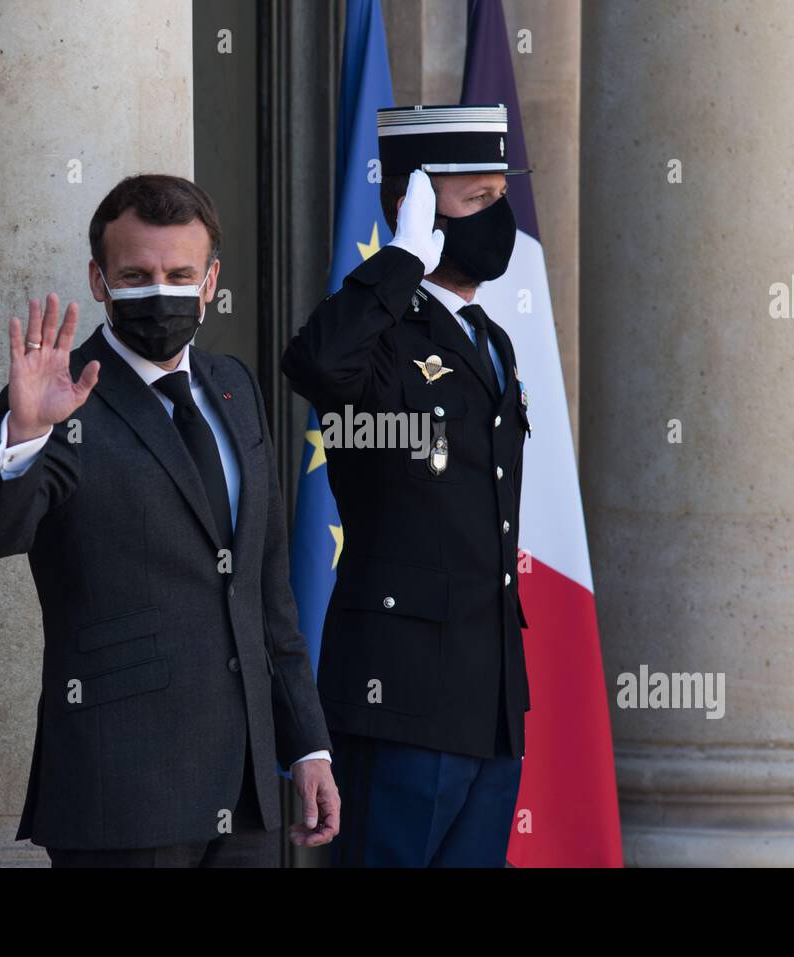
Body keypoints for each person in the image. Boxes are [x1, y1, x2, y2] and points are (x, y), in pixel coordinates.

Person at [0, 174, 338, 866]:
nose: (159, 290)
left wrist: (307, 744)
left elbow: (266, 592)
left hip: (246, 794)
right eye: (136, 274)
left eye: (179, 273)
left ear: (211, 280)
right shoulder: (61, 397)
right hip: (120, 795)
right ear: (99, 281)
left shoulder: (235, 387)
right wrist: (26, 434)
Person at [281, 104, 531, 867]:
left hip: (489, 700)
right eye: (477, 200)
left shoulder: (491, 340)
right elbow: (316, 364)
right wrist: (401, 262)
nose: (500, 218)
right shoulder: (381, 331)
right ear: (414, 205)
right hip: (401, 698)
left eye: (501, 195)